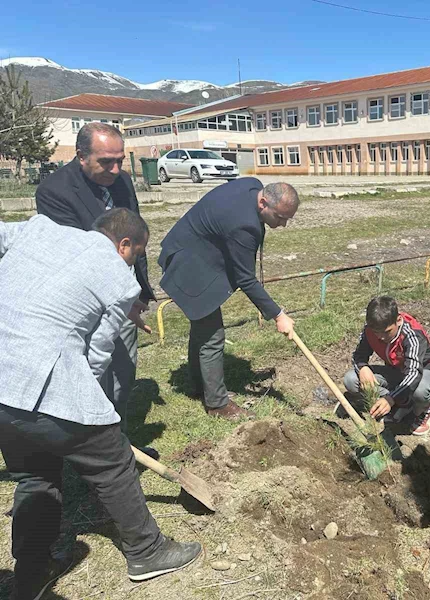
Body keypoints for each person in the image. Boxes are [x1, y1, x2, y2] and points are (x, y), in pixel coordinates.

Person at [0, 209, 201, 600]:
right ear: (124, 244)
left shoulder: (39, 230)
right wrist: (89, 412)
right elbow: (97, 354)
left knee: (35, 477)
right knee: (114, 463)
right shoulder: (118, 276)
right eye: (136, 254)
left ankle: (30, 575)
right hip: (43, 377)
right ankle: (147, 551)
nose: (132, 262)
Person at [35, 122, 157, 455]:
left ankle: (117, 437)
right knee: (91, 372)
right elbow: (77, 254)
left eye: (120, 160)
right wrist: (116, 296)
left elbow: (135, 235)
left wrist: (138, 289)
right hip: (86, 300)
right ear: (81, 156)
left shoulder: (123, 182)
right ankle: (92, 447)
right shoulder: (54, 192)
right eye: (106, 162)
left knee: (124, 370)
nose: (116, 170)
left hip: (126, 293)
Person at [159, 178, 299, 420]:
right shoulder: (244, 226)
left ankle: (198, 386)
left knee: (203, 330)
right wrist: (278, 315)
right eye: (280, 217)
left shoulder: (252, 185)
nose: (284, 225)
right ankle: (217, 404)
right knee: (212, 336)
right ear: (263, 202)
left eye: (288, 219)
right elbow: (245, 279)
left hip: (193, 251)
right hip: (188, 266)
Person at [343, 296, 430, 436]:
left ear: (398, 320)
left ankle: (425, 409)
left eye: (387, 331)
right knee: (351, 379)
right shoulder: (370, 331)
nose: (381, 337)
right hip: (396, 371)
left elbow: (414, 373)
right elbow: (359, 355)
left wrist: (391, 398)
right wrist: (363, 367)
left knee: (419, 390)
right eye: (377, 332)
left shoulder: (412, 335)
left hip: (424, 372)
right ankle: (404, 403)